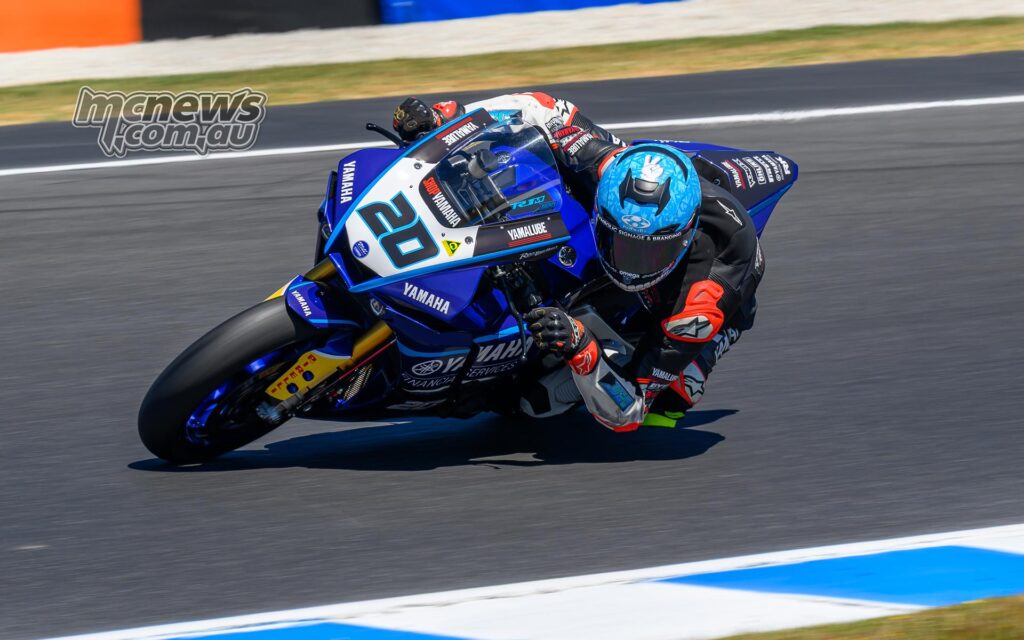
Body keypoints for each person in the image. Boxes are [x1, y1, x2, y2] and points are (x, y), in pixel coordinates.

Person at [392, 93, 764, 430]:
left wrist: (580, 348)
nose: (628, 262)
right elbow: (539, 106)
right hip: (649, 190)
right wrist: (451, 120)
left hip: (703, 299)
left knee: (541, 403)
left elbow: (629, 410)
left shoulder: (701, 301)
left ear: (681, 239)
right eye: (617, 240)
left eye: (644, 251)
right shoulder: (605, 165)